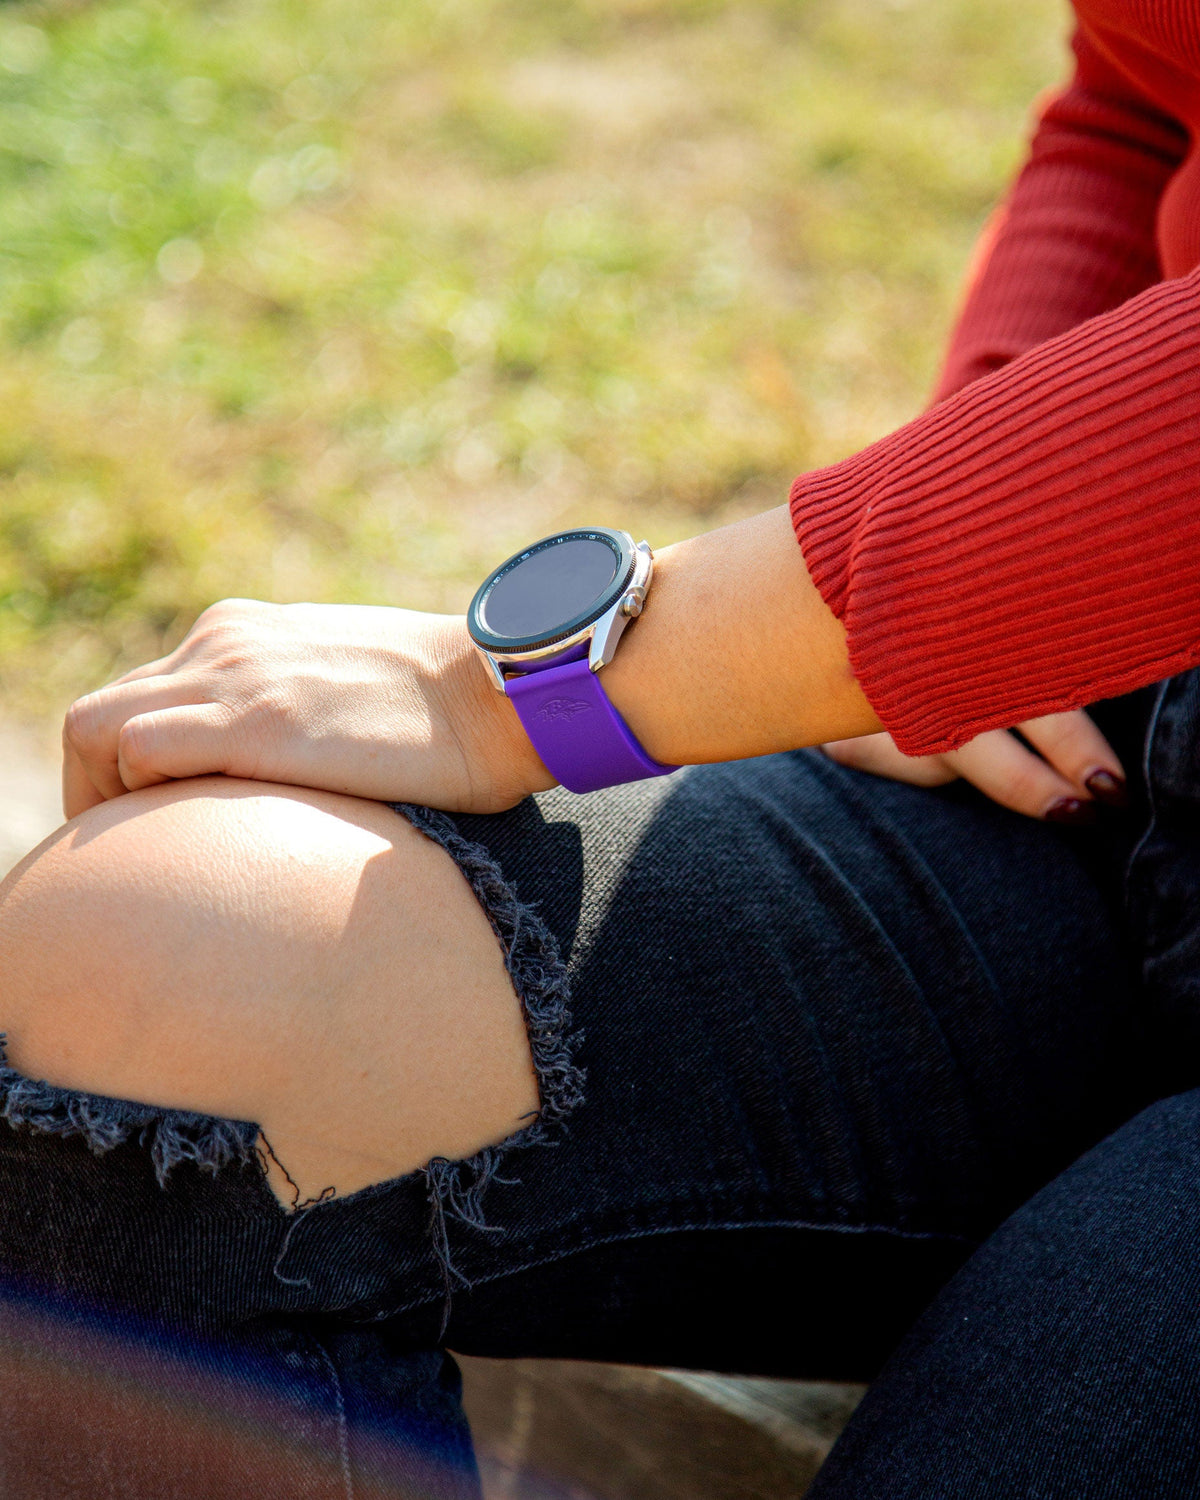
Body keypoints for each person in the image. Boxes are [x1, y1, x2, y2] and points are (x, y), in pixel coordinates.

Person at [0, 0, 1198, 1493]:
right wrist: (1012, 558)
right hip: (1106, 736)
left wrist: (490, 697)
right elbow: (1142, 94)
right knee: (146, 965)